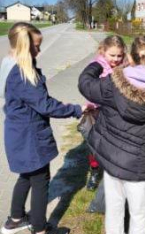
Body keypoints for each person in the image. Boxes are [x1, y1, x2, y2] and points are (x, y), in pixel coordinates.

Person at [78, 36, 145, 234]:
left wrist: (98, 64)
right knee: (141, 215)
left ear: (129, 58)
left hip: (112, 160)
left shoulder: (111, 83)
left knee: (114, 209)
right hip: (139, 166)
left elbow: (85, 84)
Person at [0, 22, 85, 234]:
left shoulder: (8, 64)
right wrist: (76, 109)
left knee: (26, 176)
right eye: (36, 46)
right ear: (23, 47)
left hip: (18, 133)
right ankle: (40, 229)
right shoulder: (23, 73)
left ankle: (16, 219)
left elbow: (22, 101)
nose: (39, 50)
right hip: (30, 138)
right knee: (40, 180)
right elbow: (45, 105)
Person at [85, 35, 126, 191]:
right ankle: (95, 172)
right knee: (95, 145)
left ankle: (115, 173)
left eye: (119, 55)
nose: (116, 59)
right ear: (103, 51)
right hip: (97, 111)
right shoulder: (96, 66)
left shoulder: (125, 66)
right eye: (112, 55)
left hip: (117, 113)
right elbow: (89, 88)